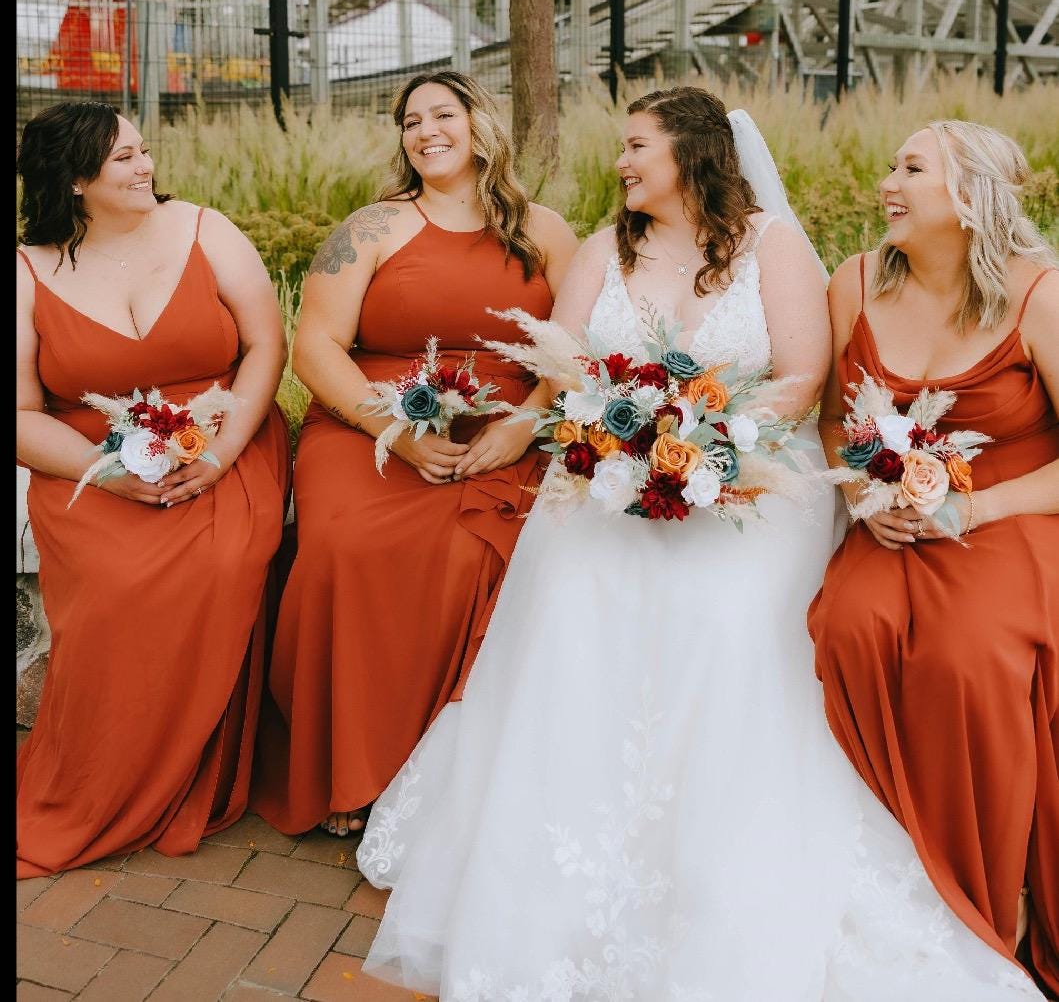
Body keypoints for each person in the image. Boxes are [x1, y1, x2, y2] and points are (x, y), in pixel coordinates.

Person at [355, 86, 1036, 1001]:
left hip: (747, 477)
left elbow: (800, 381)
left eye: (636, 145)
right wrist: (618, 439)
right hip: (606, 476)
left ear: (692, 152)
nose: (622, 162)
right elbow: (562, 366)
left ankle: (722, 856)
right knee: (571, 600)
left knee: (727, 616)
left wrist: (706, 437)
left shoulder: (773, 246)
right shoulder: (603, 249)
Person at [251, 71, 578, 838]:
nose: (424, 130)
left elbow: (576, 347)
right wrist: (392, 430)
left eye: (441, 115)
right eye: (409, 121)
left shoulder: (546, 230)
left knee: (472, 555)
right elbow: (315, 345)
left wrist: (526, 423)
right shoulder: (370, 228)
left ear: (478, 124)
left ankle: (445, 772)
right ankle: (348, 769)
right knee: (346, 545)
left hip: (502, 428)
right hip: (372, 421)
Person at [809, 119, 1059, 996]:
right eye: (889, 161)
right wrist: (858, 497)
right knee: (848, 625)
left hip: (1016, 510)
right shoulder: (855, 281)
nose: (887, 180)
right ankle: (890, 877)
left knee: (966, 660)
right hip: (896, 514)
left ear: (967, 196)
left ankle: (989, 899)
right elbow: (834, 417)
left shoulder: (1036, 296)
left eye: (910, 167)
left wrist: (979, 505)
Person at [16, 102, 290, 876]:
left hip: (224, 441)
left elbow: (267, 343)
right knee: (112, 584)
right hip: (90, 464)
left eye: (144, 152)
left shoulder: (206, 229)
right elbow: (19, 412)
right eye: (124, 161)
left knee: (224, 561)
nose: (146, 170)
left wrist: (226, 449)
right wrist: (106, 472)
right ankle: (105, 781)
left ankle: (191, 771)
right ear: (75, 181)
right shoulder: (27, 271)